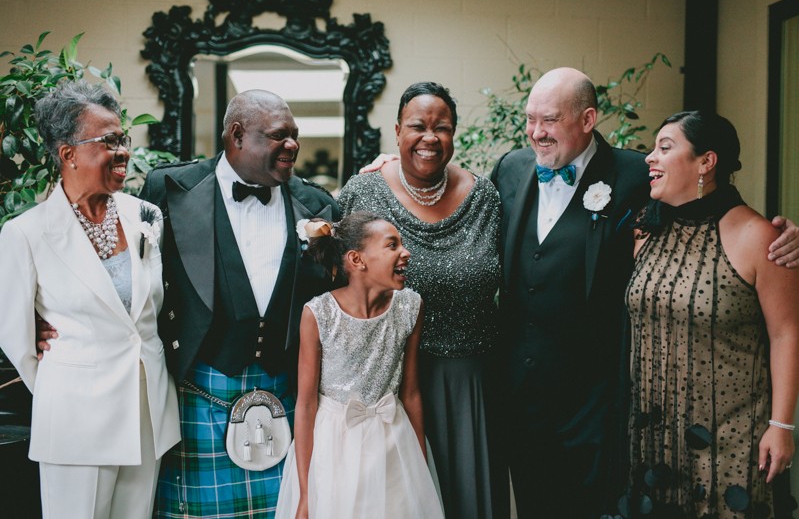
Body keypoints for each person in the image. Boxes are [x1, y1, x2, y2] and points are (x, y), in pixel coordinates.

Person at [489, 67, 799, 518]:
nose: (537, 132)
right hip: (528, 395)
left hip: (601, 404)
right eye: (530, 119)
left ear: (588, 119)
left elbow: (717, 209)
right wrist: (391, 171)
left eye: (550, 120)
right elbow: (459, 201)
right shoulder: (511, 168)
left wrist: (790, 235)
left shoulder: (638, 175)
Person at [139, 90, 340, 517]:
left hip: (284, 392)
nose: (293, 146)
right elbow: (134, 276)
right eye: (278, 136)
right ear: (236, 135)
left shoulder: (317, 205)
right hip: (198, 391)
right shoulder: (170, 189)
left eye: (295, 136)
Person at [0, 80, 181, 518]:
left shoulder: (144, 216)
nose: (123, 151)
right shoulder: (25, 233)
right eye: (109, 141)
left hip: (146, 415)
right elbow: (15, 337)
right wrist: (65, 385)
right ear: (68, 154)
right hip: (75, 421)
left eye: (124, 139)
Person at [338, 82, 505, 518]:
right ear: (396, 132)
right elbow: (337, 284)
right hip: (390, 384)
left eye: (442, 128)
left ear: (454, 135)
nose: (430, 137)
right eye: (417, 126)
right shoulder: (364, 192)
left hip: (470, 383)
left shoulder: (486, 197)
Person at [624, 111, 799, 518]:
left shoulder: (760, 237)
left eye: (664, 148)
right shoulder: (644, 230)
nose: (650, 157)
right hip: (654, 433)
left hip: (732, 433)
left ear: (707, 162)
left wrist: (783, 425)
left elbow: (786, 334)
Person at [275, 211, 444, 519]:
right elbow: (306, 405)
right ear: (356, 259)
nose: (405, 252)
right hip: (334, 446)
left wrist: (419, 466)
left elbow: (411, 393)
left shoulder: (410, 306)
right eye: (392, 245)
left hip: (393, 441)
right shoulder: (319, 313)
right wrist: (304, 492)